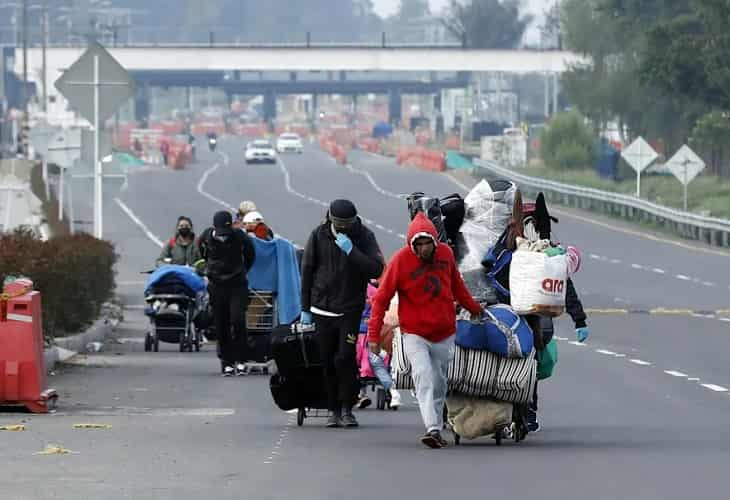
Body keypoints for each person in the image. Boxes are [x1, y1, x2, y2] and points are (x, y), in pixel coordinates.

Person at [368, 212, 482, 449]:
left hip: (444, 332)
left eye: (426, 243)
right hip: (414, 332)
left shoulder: (445, 254)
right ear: (411, 245)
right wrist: (373, 336)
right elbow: (380, 300)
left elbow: (457, 286)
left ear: (434, 240)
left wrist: (473, 308)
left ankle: (437, 422)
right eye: (417, 245)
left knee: (439, 381)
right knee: (423, 376)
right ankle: (432, 429)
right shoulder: (400, 261)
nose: (422, 249)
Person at [482, 192, 589, 432]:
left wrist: (579, 319)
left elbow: (562, 286)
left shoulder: (545, 254)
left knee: (532, 357)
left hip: (525, 314)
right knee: (518, 356)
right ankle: (518, 409)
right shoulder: (506, 250)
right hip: (507, 312)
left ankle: (527, 410)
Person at [301, 199, 385, 428]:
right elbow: (307, 271)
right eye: (339, 223)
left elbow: (376, 269)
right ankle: (333, 410)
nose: (344, 227)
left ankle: (348, 408)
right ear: (331, 219)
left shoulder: (364, 236)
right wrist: (305, 308)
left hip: (350, 307)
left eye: (348, 223)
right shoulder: (318, 235)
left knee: (345, 358)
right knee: (327, 360)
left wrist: (352, 251)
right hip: (321, 307)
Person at [199, 211, 256, 376]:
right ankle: (227, 362)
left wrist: (243, 270)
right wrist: (210, 269)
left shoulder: (239, 236)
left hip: (237, 285)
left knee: (237, 320)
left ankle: (242, 359)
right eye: (221, 234)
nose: (224, 237)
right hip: (217, 285)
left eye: (227, 233)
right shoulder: (206, 236)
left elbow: (250, 254)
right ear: (214, 228)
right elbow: (201, 251)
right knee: (221, 324)